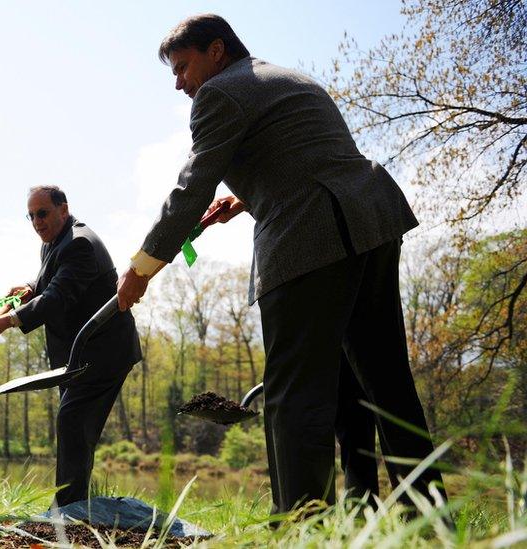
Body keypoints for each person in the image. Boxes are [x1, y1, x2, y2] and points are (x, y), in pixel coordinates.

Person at [115, 14, 445, 514]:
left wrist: (141, 268)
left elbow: (191, 190)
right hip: (371, 222)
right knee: (384, 383)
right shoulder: (288, 77)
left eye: (183, 67)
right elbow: (309, 155)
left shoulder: (220, 94)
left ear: (217, 51)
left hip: (309, 238)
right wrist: (246, 201)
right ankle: (424, 516)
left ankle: (301, 526)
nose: (180, 83)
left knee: (295, 394)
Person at [0, 185, 142, 507]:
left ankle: (68, 511)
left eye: (43, 213)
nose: (37, 222)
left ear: (63, 210)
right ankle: (72, 507)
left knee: (72, 422)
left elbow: (57, 299)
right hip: (80, 358)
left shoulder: (79, 244)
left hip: (103, 353)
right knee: (74, 426)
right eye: (32, 216)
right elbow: (51, 282)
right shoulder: (55, 241)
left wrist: (8, 321)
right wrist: (29, 287)